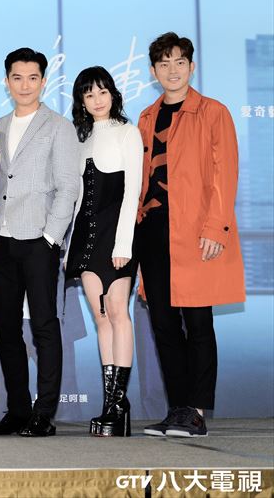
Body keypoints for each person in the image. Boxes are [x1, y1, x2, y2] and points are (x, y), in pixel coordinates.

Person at [136, 32, 245, 437]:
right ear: (153, 72)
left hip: (196, 230)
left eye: (179, 62)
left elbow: (225, 174)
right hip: (153, 231)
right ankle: (178, 409)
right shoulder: (146, 118)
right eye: (164, 64)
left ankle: (195, 412)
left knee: (198, 323)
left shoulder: (213, 112)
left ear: (192, 67)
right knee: (163, 325)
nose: (172, 70)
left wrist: (216, 227)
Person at [0, 48, 79, 437]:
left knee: (44, 325)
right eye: (17, 78)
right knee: (6, 329)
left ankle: (44, 412)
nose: (24, 85)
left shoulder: (59, 127)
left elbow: (69, 186)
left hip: (39, 240)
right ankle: (18, 410)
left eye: (32, 77)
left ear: (43, 81)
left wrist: (51, 237)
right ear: (6, 82)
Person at [64, 66, 143, 437]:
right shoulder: (80, 139)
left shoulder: (128, 132)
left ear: (113, 94)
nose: (97, 99)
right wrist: (69, 246)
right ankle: (110, 405)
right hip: (86, 238)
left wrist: (123, 244)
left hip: (117, 236)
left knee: (117, 312)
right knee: (101, 319)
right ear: (81, 101)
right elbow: (78, 198)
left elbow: (132, 192)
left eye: (102, 91)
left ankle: (119, 404)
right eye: (89, 93)